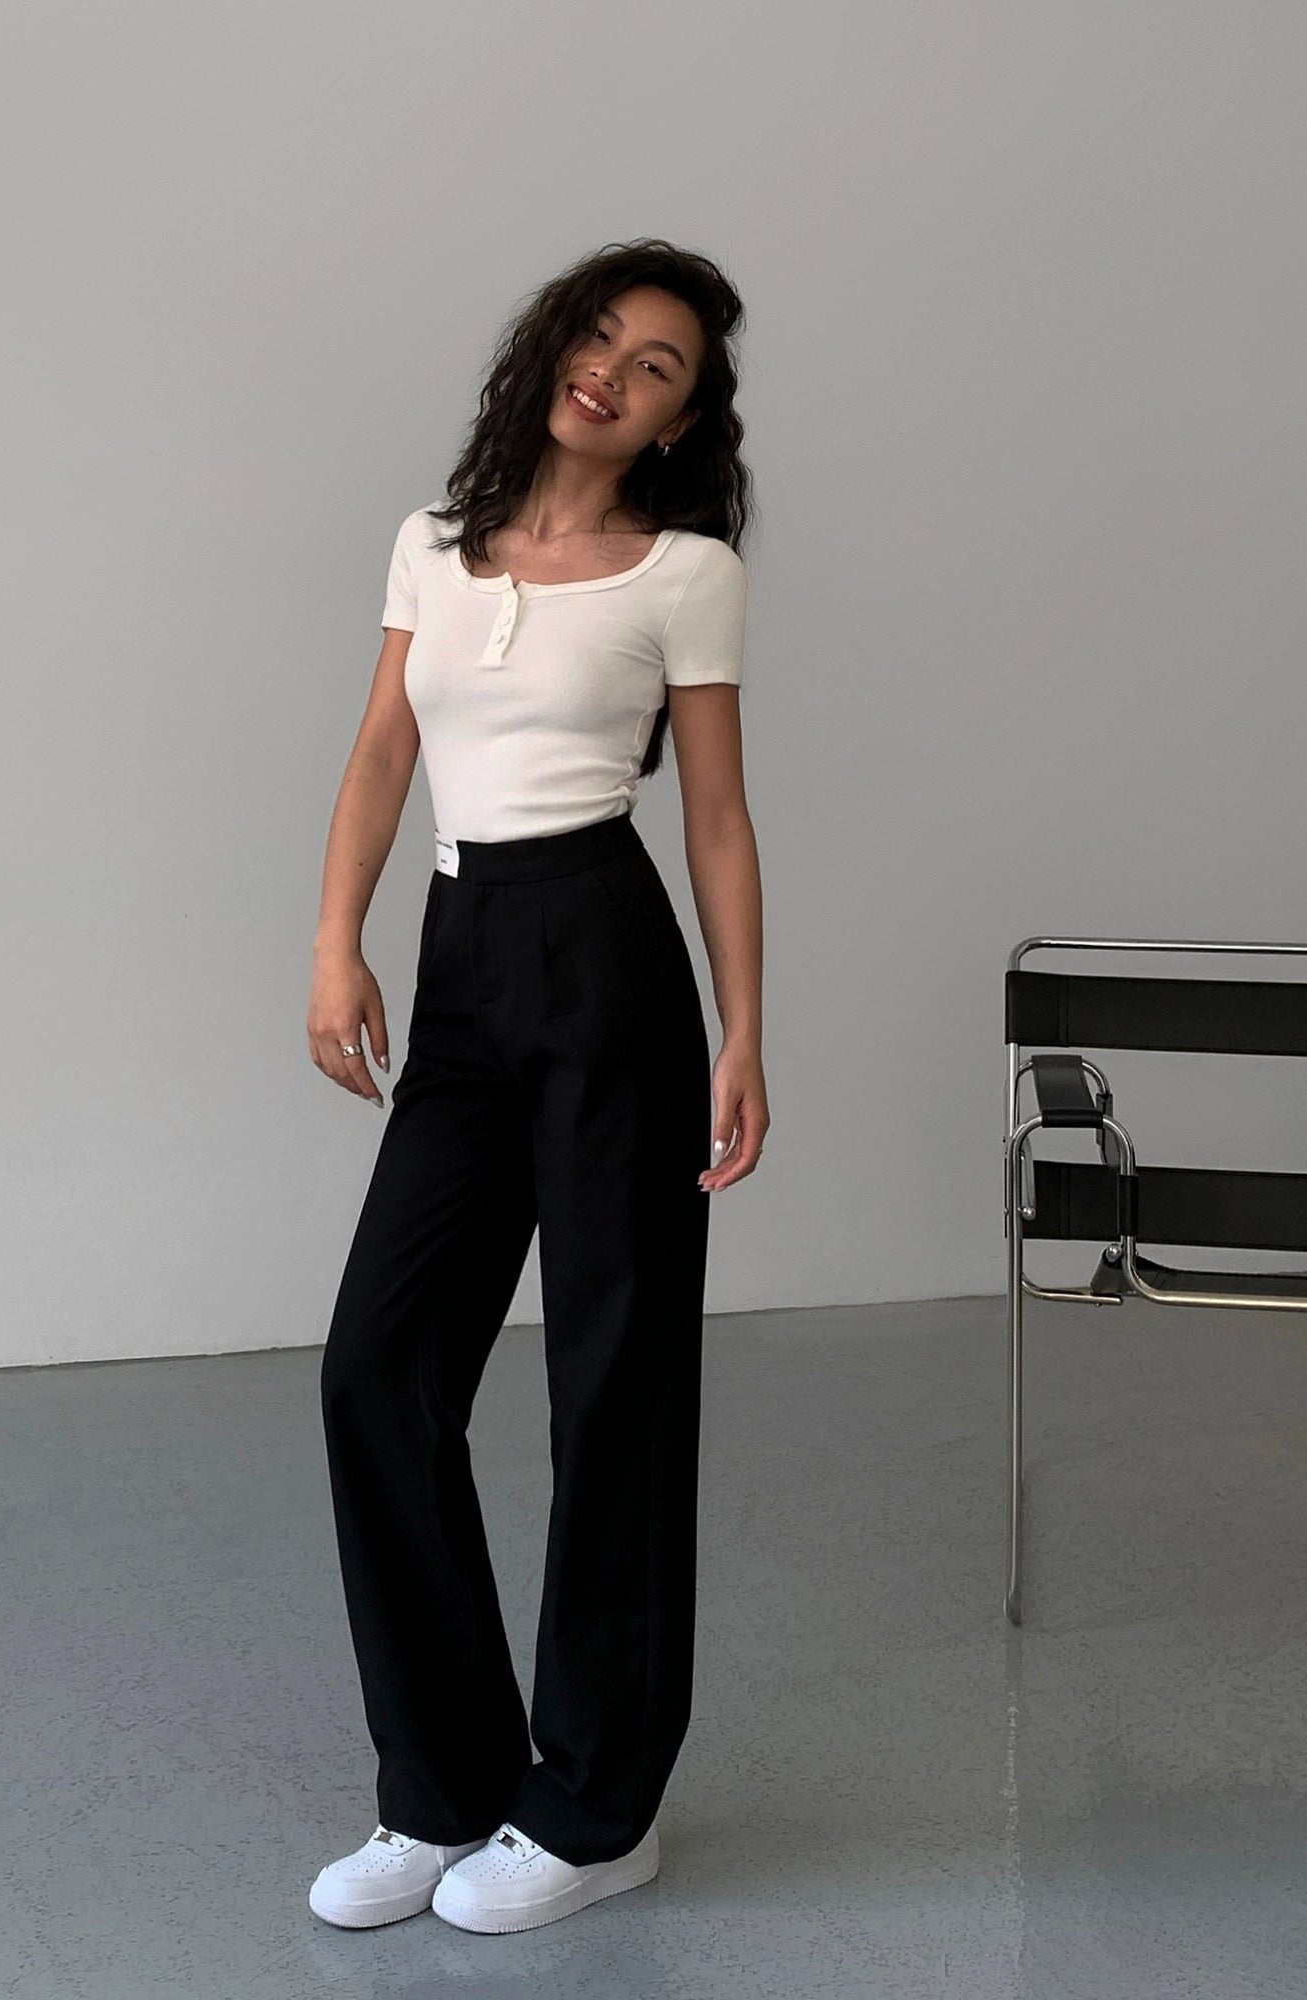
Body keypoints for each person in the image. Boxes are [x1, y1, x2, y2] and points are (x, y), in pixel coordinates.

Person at [305, 237, 768, 1937]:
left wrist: (743, 1029)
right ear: (553, 346)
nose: (614, 372)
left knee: (613, 1383)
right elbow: (383, 750)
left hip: (606, 954)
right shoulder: (434, 541)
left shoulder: (685, 573)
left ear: (678, 420)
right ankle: (441, 1786)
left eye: (659, 366)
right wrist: (337, 944)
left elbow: (714, 815)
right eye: (602, 335)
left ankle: (595, 1808)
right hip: (461, 954)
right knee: (379, 1367)